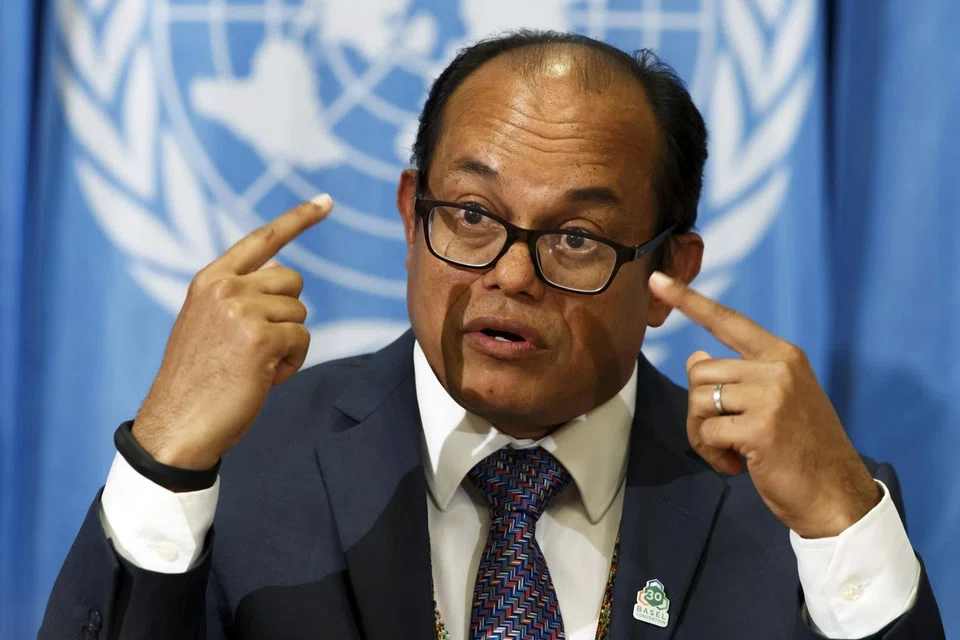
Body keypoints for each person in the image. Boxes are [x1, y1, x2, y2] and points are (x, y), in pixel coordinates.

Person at [40, 31, 943, 640]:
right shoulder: (243, 463)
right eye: (471, 215)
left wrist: (842, 523)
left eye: (577, 237)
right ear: (411, 215)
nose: (510, 274)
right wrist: (164, 459)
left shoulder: (786, 507)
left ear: (671, 272)